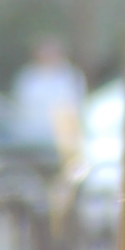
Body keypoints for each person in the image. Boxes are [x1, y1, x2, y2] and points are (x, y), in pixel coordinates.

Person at [13, 36, 88, 165]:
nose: (48, 55)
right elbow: (20, 106)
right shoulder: (27, 76)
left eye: (52, 51)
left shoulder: (71, 76)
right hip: (29, 137)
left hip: (62, 140)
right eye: (45, 51)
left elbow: (74, 107)